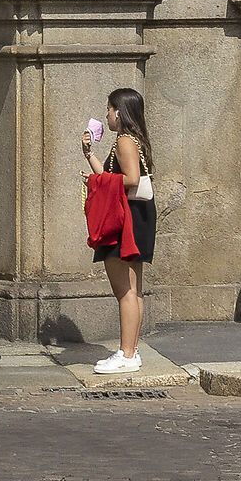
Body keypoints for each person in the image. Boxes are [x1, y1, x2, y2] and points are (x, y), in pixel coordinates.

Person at [82, 85, 155, 374]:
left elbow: (131, 179)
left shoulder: (125, 140)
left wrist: (99, 183)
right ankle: (131, 351)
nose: (107, 115)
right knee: (134, 291)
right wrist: (90, 156)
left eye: (109, 109)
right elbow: (113, 176)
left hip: (126, 219)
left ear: (119, 112)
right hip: (138, 216)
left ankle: (126, 355)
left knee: (125, 291)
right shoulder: (134, 140)